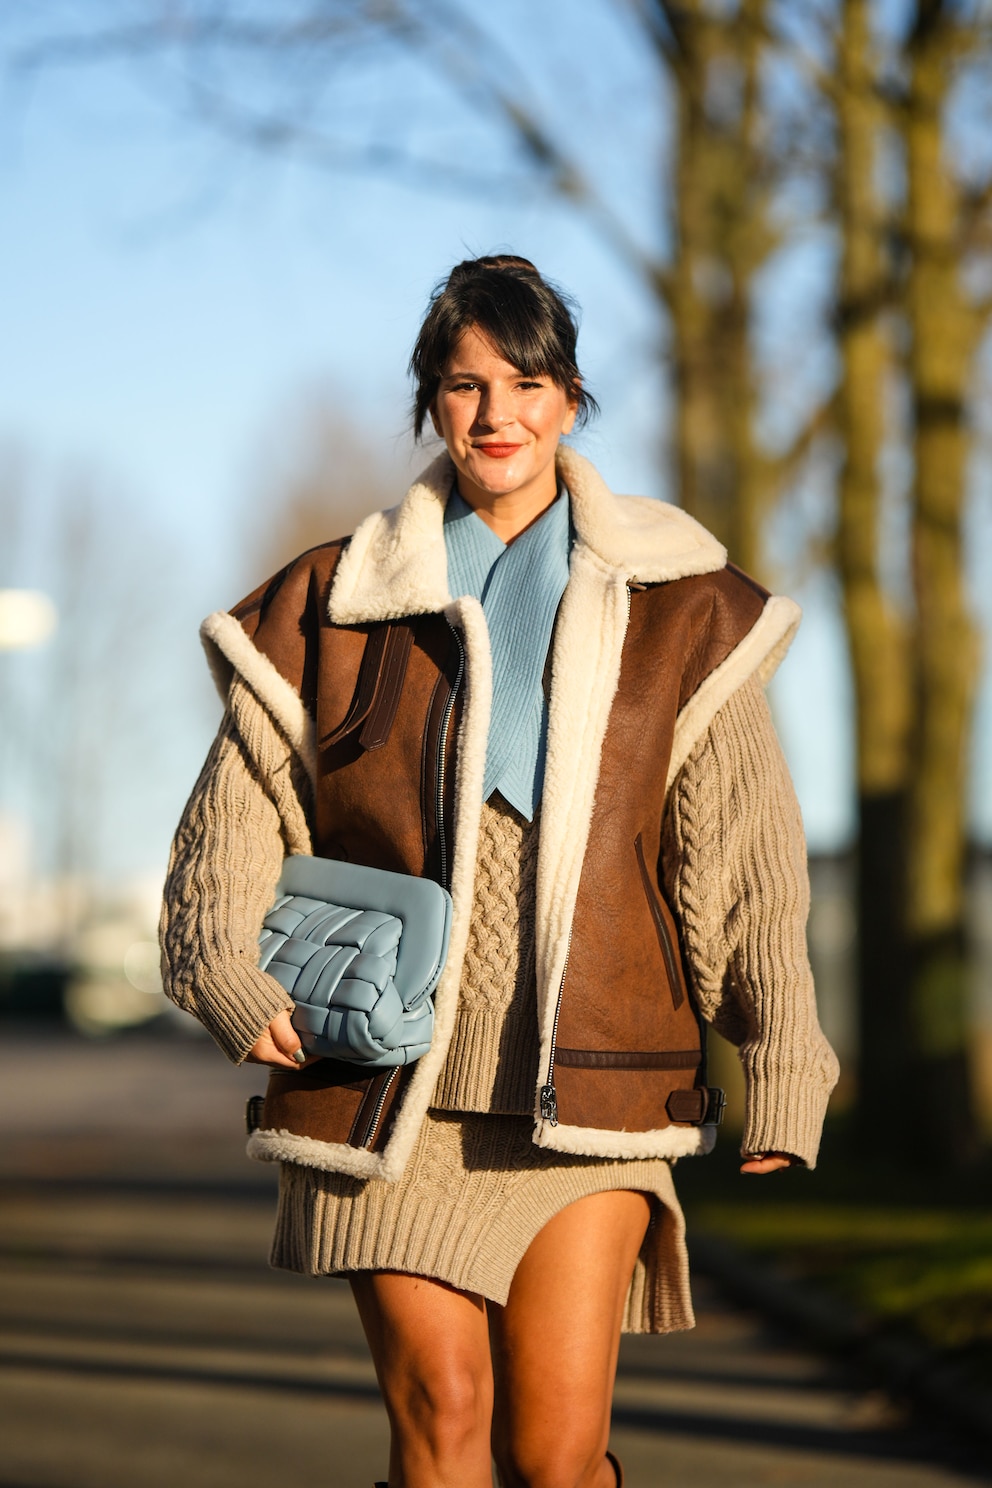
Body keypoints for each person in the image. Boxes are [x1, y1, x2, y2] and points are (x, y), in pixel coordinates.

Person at [161, 254, 839, 1488]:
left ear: (569, 399)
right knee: (440, 1417)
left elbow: (742, 857)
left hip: (596, 1088)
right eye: (464, 385)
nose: (495, 415)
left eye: (524, 383)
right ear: (429, 403)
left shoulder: (682, 602)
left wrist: (781, 1061)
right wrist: (216, 960)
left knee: (554, 1451)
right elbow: (236, 806)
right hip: (382, 1085)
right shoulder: (332, 597)